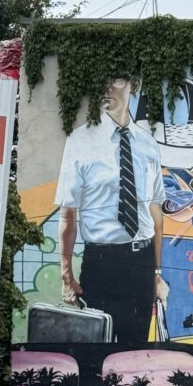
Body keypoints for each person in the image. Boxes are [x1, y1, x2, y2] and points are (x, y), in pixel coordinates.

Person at [55, 76, 169, 342]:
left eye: (116, 80)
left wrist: (156, 274)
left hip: (141, 264)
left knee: (133, 357)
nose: (106, 88)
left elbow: (155, 214)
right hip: (101, 265)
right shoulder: (80, 141)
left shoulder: (147, 144)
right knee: (96, 353)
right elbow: (68, 215)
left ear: (134, 85)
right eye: (101, 81)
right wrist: (66, 276)